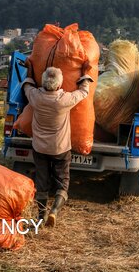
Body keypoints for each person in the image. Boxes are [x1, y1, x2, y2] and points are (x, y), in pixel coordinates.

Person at [22, 60, 93, 227]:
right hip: (60, 148)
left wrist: (31, 71)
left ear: (43, 81)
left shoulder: (36, 98)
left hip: (40, 148)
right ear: (60, 83)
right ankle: (54, 211)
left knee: (42, 181)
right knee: (63, 181)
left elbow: (27, 86)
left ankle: (41, 216)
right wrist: (84, 74)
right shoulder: (64, 100)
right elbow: (83, 92)